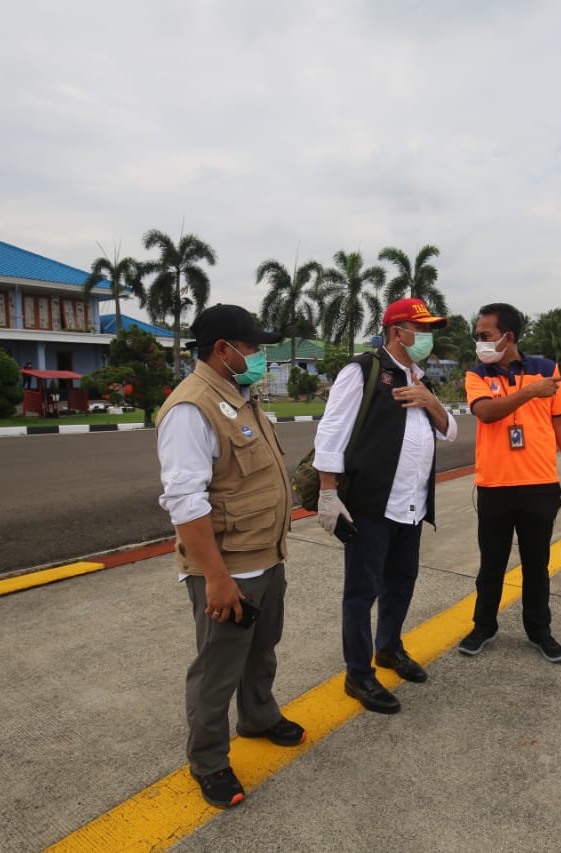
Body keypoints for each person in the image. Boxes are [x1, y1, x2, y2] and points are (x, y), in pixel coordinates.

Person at [155, 304, 304, 809]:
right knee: (218, 667)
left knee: (261, 650)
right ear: (224, 350)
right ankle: (210, 761)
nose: (260, 356)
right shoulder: (190, 409)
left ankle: (259, 716)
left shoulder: (240, 397)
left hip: (266, 555)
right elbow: (185, 503)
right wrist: (216, 578)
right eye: (254, 347)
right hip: (228, 570)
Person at [314, 298, 458, 714]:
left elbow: (448, 432)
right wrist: (328, 493)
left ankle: (389, 647)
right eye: (422, 328)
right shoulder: (362, 371)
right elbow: (331, 435)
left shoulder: (420, 378)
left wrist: (432, 403)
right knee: (362, 592)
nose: (427, 338)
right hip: (371, 506)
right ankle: (358, 674)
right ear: (398, 332)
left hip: (411, 506)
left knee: (402, 581)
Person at [458, 302, 561, 664]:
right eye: (478, 336)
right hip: (494, 487)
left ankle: (539, 630)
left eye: (485, 335)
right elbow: (486, 413)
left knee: (537, 565)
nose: (479, 342)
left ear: (509, 336)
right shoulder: (477, 375)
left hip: (539, 485)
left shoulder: (546, 370)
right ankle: (484, 625)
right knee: (492, 565)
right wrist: (531, 393)